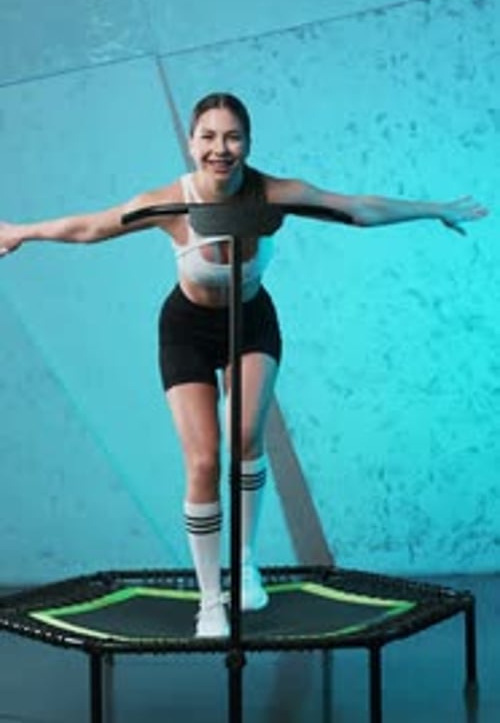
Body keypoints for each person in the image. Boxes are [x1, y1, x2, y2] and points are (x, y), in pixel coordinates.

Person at [0, 92, 488, 637]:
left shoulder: (277, 194)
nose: (220, 148)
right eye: (208, 137)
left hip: (252, 323)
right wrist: (21, 231)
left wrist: (433, 209)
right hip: (186, 329)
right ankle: (210, 598)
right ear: (191, 143)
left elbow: (357, 208)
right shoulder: (171, 203)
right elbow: (91, 227)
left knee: (245, 437)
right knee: (205, 461)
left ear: (248, 143)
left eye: (232, 137)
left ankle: (245, 564)